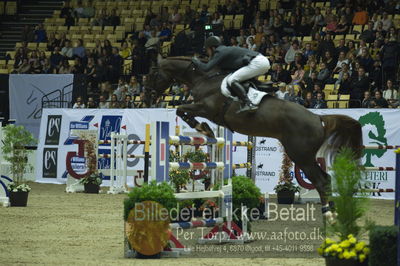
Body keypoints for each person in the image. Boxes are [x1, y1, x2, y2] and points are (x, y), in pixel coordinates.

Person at [191, 36, 270, 113]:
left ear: (212, 47)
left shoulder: (219, 52)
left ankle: (248, 104)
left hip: (257, 62)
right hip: (260, 61)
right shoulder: (224, 50)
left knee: (232, 80)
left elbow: (206, 68)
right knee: (236, 78)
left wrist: (195, 60)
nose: (207, 53)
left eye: (207, 50)